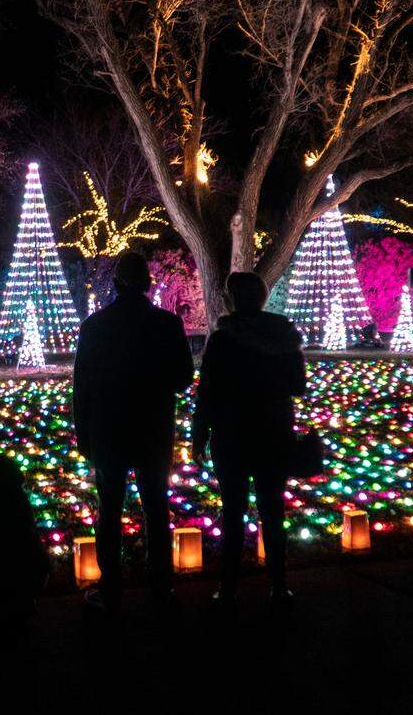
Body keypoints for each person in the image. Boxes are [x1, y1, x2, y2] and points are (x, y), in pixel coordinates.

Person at [73, 252, 193, 612]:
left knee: (109, 509)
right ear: (147, 283)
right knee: (156, 508)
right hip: (152, 431)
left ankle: (111, 589)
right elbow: (184, 379)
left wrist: (85, 437)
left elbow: (83, 387)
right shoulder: (166, 325)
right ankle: (160, 587)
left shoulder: (96, 326)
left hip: (109, 432)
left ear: (116, 283)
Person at [193, 272, 305, 613]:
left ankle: (227, 589)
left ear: (233, 299)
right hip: (273, 431)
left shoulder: (224, 337)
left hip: (232, 434)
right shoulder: (283, 333)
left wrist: (199, 436)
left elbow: (208, 391)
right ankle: (278, 586)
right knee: (272, 509)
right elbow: (298, 386)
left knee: (233, 512)